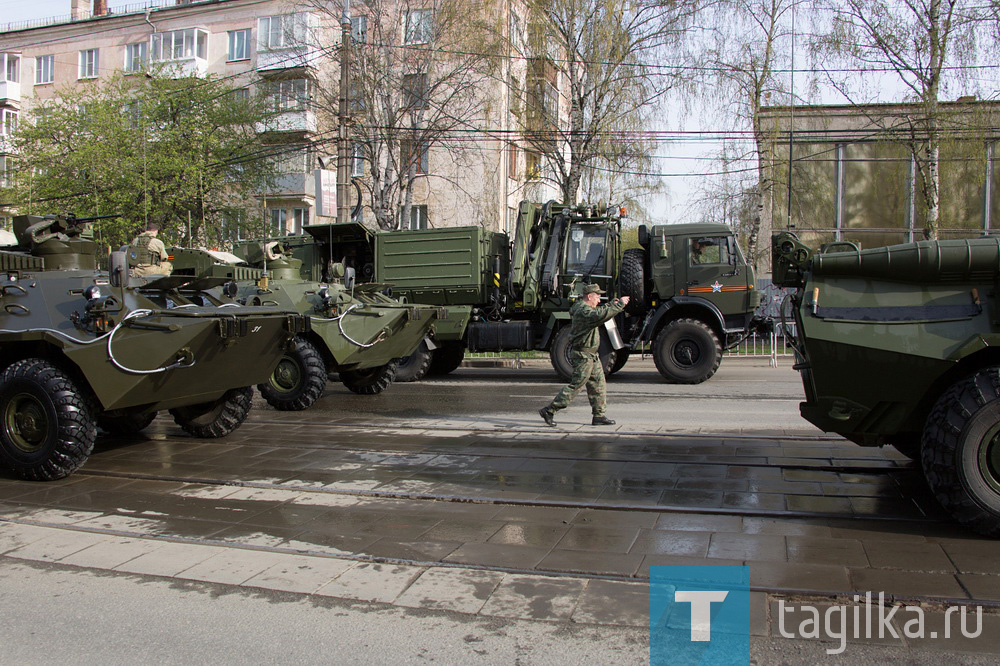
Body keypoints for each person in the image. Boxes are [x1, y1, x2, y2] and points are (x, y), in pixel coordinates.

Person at [539, 284, 630, 427]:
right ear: (589, 296)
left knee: (598, 385)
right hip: (583, 355)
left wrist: (612, 304)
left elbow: (599, 311)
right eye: (598, 297)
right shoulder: (583, 311)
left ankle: (599, 416)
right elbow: (598, 316)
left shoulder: (586, 309)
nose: (599, 300)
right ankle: (550, 410)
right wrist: (619, 305)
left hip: (591, 355)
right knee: (576, 385)